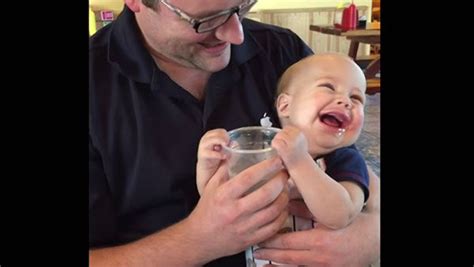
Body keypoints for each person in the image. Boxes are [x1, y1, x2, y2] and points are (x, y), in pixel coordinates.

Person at [89, 0, 380, 265]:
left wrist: (369, 239)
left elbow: (350, 164)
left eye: (242, 6)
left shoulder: (283, 51)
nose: (236, 35)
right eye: (206, 20)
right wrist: (199, 240)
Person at [197, 53, 369, 231]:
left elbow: (342, 215)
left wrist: (299, 161)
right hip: (257, 255)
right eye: (328, 87)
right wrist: (207, 164)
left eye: (356, 98)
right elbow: (217, 199)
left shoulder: (346, 161)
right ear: (285, 105)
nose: (346, 102)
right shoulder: (263, 150)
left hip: (317, 256)